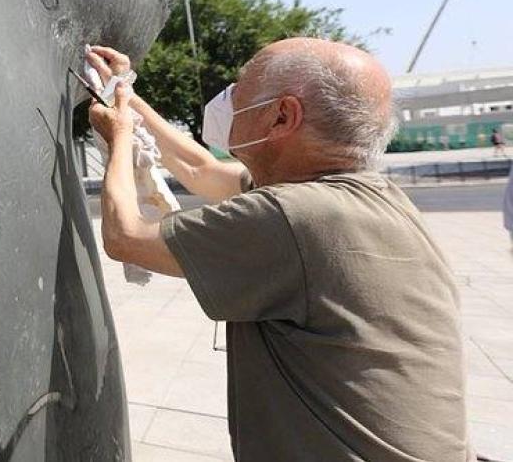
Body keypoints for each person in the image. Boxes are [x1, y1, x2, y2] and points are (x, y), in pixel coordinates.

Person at [85, 38, 468, 461]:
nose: (228, 101)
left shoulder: (299, 216)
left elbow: (126, 236)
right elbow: (203, 170)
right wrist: (127, 96)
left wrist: (119, 139)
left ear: (282, 115)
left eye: (241, 92)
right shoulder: (362, 197)